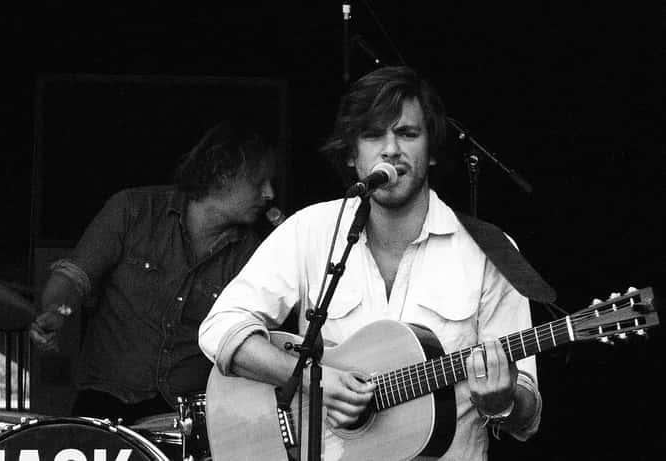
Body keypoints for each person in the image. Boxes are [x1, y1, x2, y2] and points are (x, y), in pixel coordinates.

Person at [198, 66, 541, 460]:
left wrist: (503, 400)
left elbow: (528, 411)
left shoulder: (490, 251)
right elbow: (219, 327)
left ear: (430, 152)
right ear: (351, 154)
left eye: (408, 133)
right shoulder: (312, 230)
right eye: (374, 134)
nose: (391, 148)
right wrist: (313, 381)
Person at [28, 121, 277, 424]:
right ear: (224, 173)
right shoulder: (132, 209)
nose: (269, 193)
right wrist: (57, 310)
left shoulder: (256, 251)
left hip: (189, 419)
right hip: (105, 404)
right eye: (260, 181)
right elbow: (74, 276)